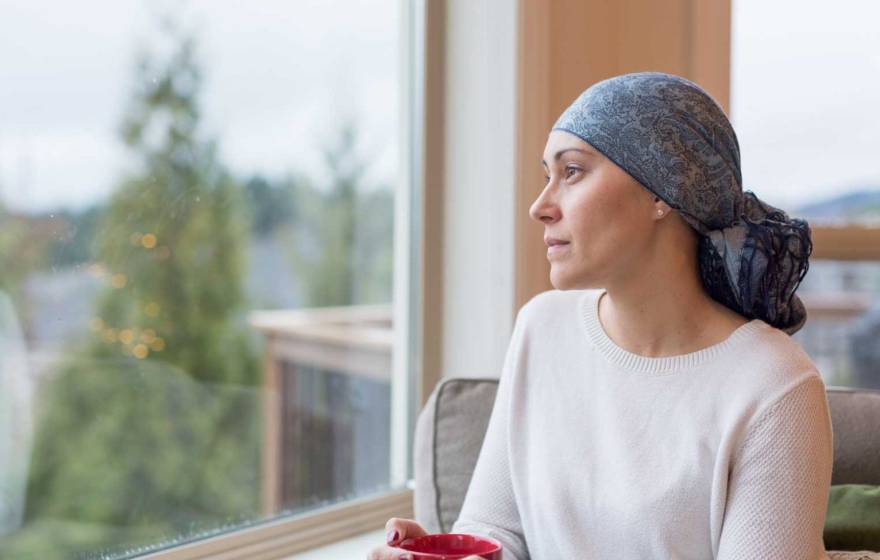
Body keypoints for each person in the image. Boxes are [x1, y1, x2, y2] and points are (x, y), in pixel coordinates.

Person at [368, 71, 831, 559]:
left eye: (571, 172)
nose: (540, 206)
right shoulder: (541, 329)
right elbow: (497, 530)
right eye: (545, 175)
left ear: (662, 191)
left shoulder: (776, 386)